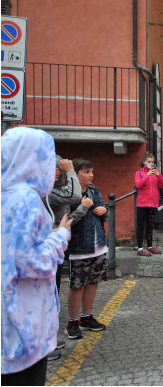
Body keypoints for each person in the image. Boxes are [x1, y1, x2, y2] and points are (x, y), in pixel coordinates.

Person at [1, 127, 73, 385]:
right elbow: (30, 261)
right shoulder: (25, 200)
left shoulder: (6, 195)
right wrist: (60, 236)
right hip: (23, 328)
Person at [65, 158, 109, 340]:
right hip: (79, 246)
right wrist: (85, 207)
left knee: (93, 282)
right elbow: (67, 221)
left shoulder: (93, 190)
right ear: (75, 174)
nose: (91, 175)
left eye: (91, 171)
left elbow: (102, 212)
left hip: (97, 243)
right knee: (77, 285)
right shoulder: (69, 194)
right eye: (86, 172)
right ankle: (72, 322)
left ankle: (86, 317)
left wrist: (104, 211)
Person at [45, 155, 82, 357]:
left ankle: (48, 338)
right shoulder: (45, 192)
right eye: (54, 168)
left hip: (57, 244)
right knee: (47, 293)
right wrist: (70, 171)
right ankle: (43, 342)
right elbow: (74, 195)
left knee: (53, 291)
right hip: (49, 246)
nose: (57, 172)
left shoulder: (51, 188)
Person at [135, 154, 163, 256]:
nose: (150, 164)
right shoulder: (139, 173)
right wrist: (147, 174)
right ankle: (140, 247)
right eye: (148, 162)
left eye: (152, 162)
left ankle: (149, 246)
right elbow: (138, 185)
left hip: (153, 203)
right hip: (142, 203)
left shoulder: (155, 174)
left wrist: (158, 174)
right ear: (144, 162)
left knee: (150, 226)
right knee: (140, 226)